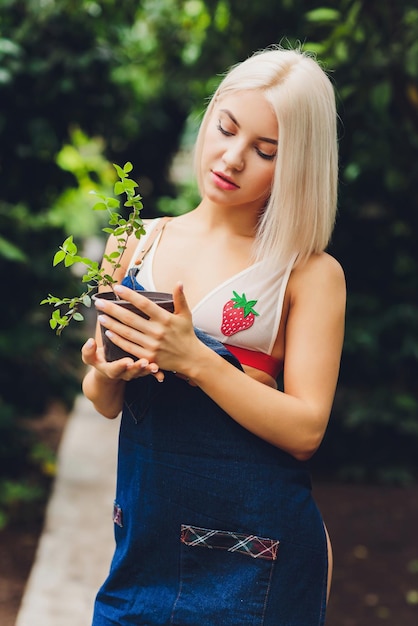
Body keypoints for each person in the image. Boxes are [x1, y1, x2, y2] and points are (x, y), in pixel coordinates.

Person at [82, 46, 346, 626]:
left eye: (265, 150)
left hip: (258, 557)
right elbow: (104, 404)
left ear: (297, 165)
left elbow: (307, 430)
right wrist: (105, 371)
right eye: (226, 129)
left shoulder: (307, 272)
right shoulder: (135, 242)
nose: (231, 158)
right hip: (143, 547)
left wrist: (194, 358)